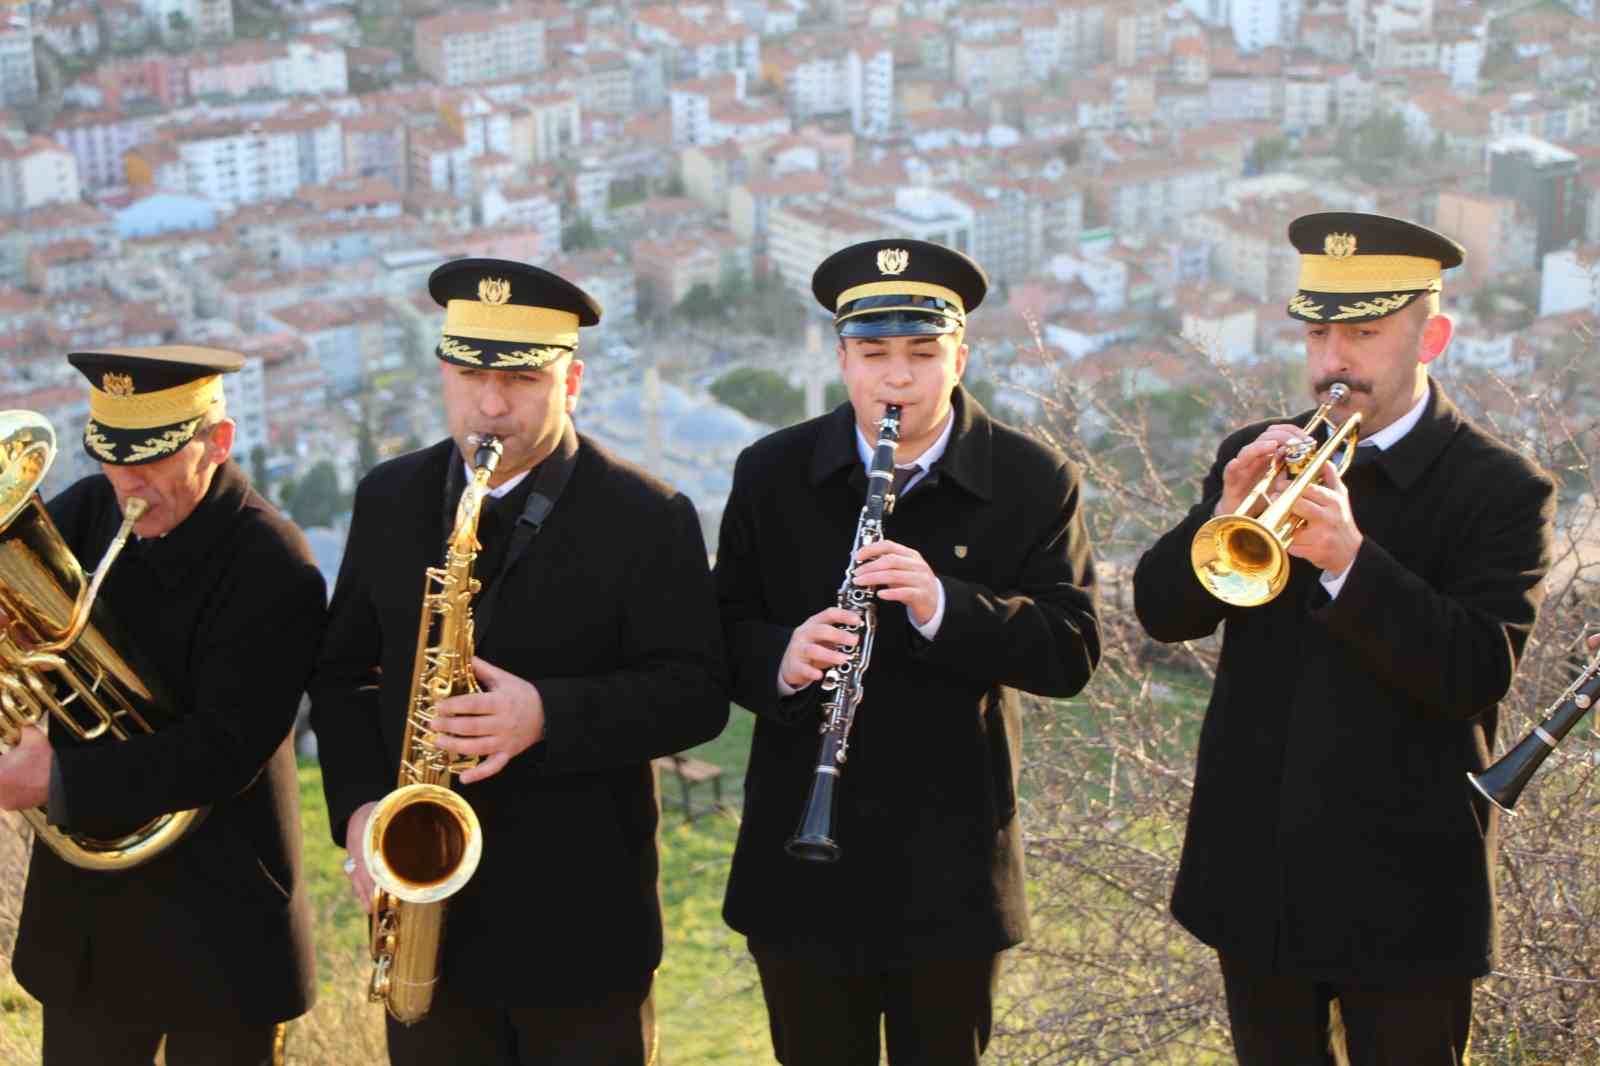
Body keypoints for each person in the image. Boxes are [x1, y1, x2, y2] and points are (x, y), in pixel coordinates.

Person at [1133, 213, 1557, 1065]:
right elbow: (1162, 612)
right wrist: (1220, 514)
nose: (1333, 361)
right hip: (1258, 871)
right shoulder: (1260, 453)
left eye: (1364, 334)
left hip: (1406, 889)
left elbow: (1476, 671)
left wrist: (1350, 562)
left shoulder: (1502, 491)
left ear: (1429, 336)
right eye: (1319, 332)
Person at [309, 258, 727, 1066]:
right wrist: (361, 814)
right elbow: (342, 673)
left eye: (522, 380)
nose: (491, 405)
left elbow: (697, 694)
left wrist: (548, 716)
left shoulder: (649, 516)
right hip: (427, 921)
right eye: (469, 376)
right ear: (443, 372)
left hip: (581, 934)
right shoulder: (391, 496)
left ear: (570, 381)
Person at [715, 238, 1101, 1065]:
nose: (898, 379)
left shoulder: (1034, 479)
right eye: (874, 354)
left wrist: (942, 607)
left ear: (960, 354)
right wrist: (782, 656)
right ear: (842, 357)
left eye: (923, 354)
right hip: (801, 871)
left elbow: (1071, 650)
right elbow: (713, 637)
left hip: (950, 871)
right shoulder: (771, 472)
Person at [0, 346, 325, 1065]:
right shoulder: (87, 510)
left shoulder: (274, 563)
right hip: (88, 924)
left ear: (219, 442)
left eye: (150, 459)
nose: (127, 484)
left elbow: (222, 751)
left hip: (220, 923)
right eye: (111, 457)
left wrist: (54, 784)